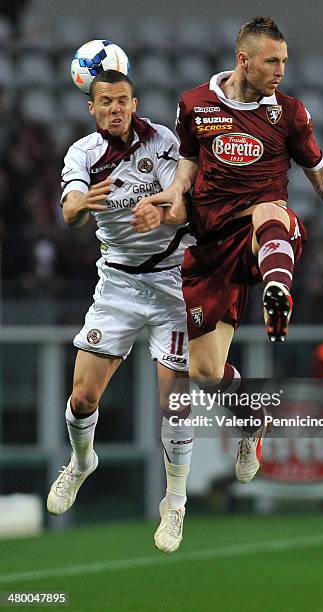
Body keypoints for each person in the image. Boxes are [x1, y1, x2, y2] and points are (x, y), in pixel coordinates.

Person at [132, 16, 323, 485]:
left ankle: (277, 291)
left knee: (271, 211)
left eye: (285, 61)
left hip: (265, 235)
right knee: (204, 373)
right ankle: (252, 420)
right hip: (211, 246)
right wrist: (172, 193)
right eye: (273, 61)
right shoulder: (194, 104)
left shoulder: (289, 113)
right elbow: (187, 165)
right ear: (244, 59)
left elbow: (320, 171)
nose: (281, 70)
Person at [47, 69, 193, 554]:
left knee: (174, 402)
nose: (114, 108)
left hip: (172, 282)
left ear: (135, 103)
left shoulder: (165, 141)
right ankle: (82, 462)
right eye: (105, 101)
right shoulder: (83, 154)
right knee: (83, 396)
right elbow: (68, 210)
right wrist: (81, 202)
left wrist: (163, 211)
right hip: (118, 285)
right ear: (92, 107)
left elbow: (187, 203)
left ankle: (174, 501)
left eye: (122, 100)